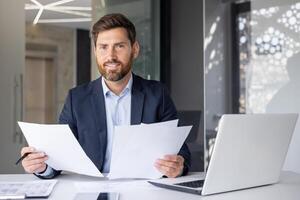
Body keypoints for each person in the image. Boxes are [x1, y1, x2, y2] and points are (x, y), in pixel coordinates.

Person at [20, 13, 191, 179]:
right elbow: (61, 155)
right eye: (103, 47)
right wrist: (41, 166)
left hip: (143, 189)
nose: (111, 56)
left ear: (135, 49)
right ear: (95, 51)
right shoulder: (77, 99)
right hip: (92, 189)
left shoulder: (157, 94)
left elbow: (181, 151)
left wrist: (178, 166)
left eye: (119, 46)